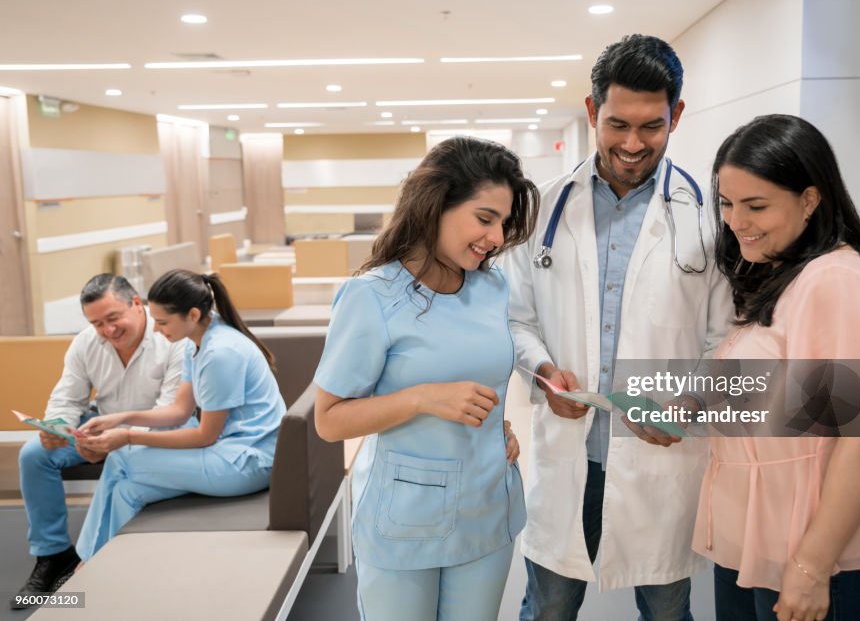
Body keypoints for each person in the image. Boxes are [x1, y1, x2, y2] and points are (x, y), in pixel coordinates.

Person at [501, 34, 733, 620]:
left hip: (660, 455)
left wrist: (691, 404)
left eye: (651, 126)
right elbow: (516, 318)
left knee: (665, 608)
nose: (632, 143)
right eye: (617, 124)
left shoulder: (708, 217)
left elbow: (724, 341)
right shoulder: (543, 212)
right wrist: (543, 370)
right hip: (567, 452)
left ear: (676, 115)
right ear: (591, 111)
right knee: (548, 607)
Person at [313, 136, 538, 621]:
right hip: (405, 520)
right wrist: (420, 398)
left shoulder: (492, 287)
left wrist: (500, 424)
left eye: (503, 222)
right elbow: (329, 422)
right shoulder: (371, 297)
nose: (497, 238)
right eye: (484, 218)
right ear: (435, 205)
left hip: (487, 506)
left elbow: (484, 381)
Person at [693, 114, 860, 621]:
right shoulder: (783, 275)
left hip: (816, 561)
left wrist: (810, 567)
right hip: (755, 547)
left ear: (810, 199)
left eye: (756, 205)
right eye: (726, 203)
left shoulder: (838, 283)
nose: (736, 221)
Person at [70, 268, 285, 562]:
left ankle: (86, 563)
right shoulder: (196, 341)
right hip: (229, 451)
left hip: (250, 461)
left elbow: (204, 435)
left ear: (193, 314)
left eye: (162, 322)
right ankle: (117, 566)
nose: (156, 330)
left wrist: (127, 437)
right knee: (126, 491)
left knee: (122, 458)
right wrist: (121, 419)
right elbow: (179, 411)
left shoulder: (220, 353)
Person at [11, 274, 183, 608]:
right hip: (100, 423)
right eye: (97, 323)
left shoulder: (170, 338)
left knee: (125, 459)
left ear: (136, 303)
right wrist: (56, 426)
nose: (107, 331)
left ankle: (106, 563)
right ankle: (53, 555)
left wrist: (123, 438)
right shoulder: (86, 342)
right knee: (34, 455)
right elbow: (68, 397)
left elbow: (172, 411)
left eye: (113, 318)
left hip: (154, 429)